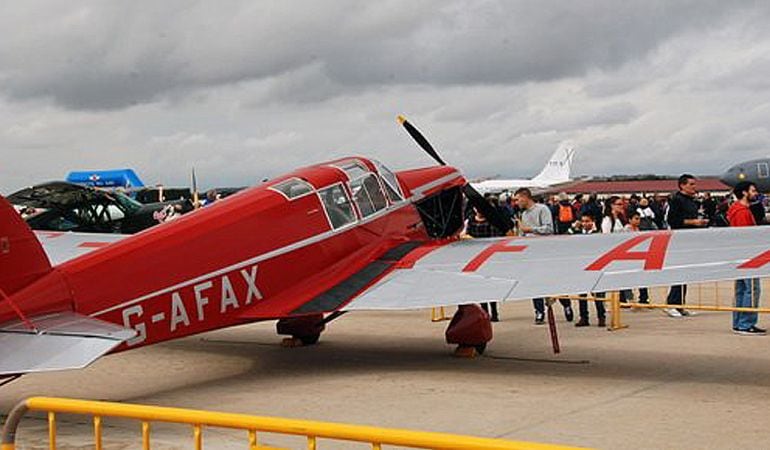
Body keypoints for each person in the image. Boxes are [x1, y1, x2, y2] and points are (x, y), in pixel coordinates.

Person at [515, 187, 573, 324]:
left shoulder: (542, 209)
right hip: (530, 252)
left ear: (525, 197)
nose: (516, 202)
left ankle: (566, 304)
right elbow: (522, 233)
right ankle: (539, 311)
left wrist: (529, 229)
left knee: (554, 281)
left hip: (545, 252)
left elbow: (548, 229)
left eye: (517, 199)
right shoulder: (523, 214)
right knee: (534, 283)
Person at [664, 174, 709, 317]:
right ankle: (672, 303)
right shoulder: (676, 200)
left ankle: (680, 304)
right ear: (682, 185)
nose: (694, 187)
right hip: (680, 240)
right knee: (679, 272)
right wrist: (692, 222)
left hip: (691, 240)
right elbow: (673, 220)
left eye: (694, 184)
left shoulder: (693, 201)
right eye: (691, 184)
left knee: (686, 273)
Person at [728, 181, 765, 335]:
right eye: (753, 190)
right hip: (747, 256)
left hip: (739, 256)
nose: (756, 193)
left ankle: (739, 322)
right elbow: (745, 235)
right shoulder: (742, 212)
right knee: (751, 289)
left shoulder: (736, 209)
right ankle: (746, 323)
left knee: (741, 290)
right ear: (744, 192)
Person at [464, 202, 506, 322]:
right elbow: (467, 234)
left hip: (488, 255)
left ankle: (494, 311)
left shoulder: (490, 221)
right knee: (481, 286)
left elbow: (494, 238)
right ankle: (485, 312)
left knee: (490, 286)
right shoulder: (471, 220)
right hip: (475, 256)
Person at [571, 214, 607, 327]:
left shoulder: (598, 234)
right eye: (583, 221)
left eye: (587, 221)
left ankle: (601, 317)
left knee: (598, 295)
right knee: (582, 294)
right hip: (582, 266)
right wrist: (573, 227)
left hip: (595, 266)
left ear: (593, 222)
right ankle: (584, 317)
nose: (585, 224)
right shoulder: (578, 233)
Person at [624, 211, 650, 304]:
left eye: (639, 219)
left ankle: (644, 298)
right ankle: (628, 298)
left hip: (639, 257)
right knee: (627, 279)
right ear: (630, 220)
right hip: (628, 258)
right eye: (636, 219)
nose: (638, 221)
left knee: (642, 278)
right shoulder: (626, 230)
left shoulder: (638, 229)